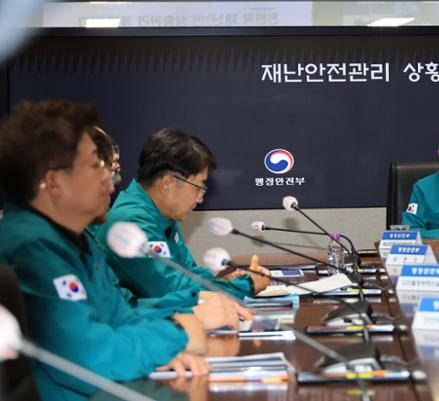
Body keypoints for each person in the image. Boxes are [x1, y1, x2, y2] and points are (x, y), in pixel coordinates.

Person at [0, 100, 215, 401]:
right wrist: (176, 333)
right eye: (96, 165)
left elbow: (119, 315)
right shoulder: (28, 247)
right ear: (54, 181)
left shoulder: (76, 240)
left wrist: (161, 346)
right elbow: (88, 356)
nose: (111, 179)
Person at [96, 128, 270, 300]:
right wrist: (247, 284)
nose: (200, 198)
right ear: (167, 184)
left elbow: (187, 272)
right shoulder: (131, 222)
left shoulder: (160, 213)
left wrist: (222, 282)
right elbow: (172, 290)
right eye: (199, 187)